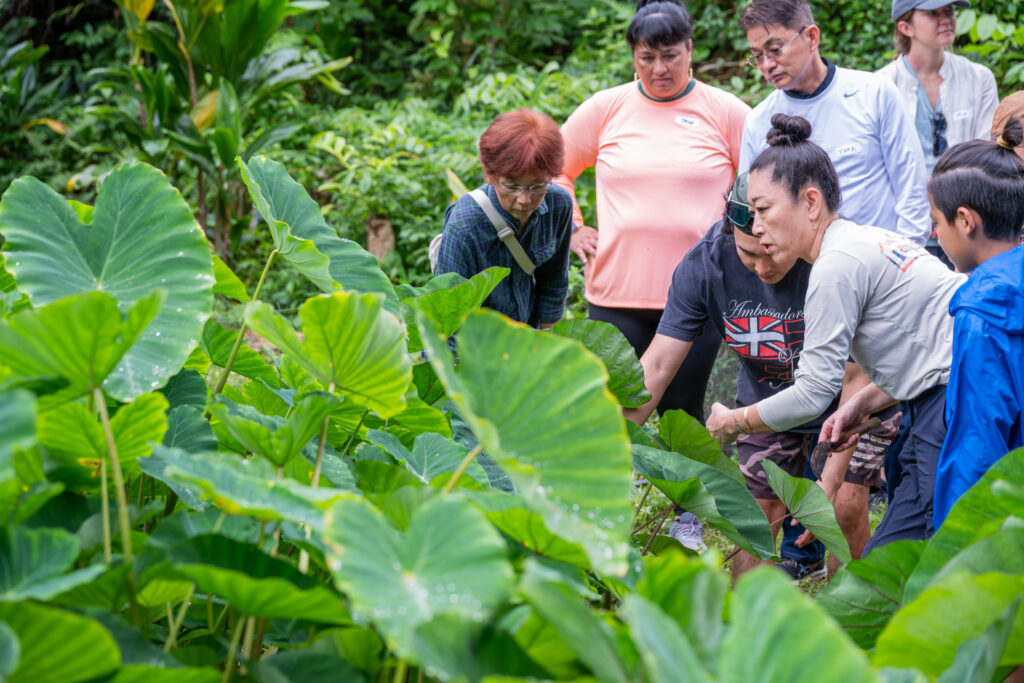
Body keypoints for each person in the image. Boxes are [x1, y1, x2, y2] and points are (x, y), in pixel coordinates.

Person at [705, 114, 966, 554]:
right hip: (945, 390)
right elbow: (924, 348)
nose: (757, 227)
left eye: (764, 210)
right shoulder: (863, 241)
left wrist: (734, 421)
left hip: (956, 396)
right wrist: (861, 403)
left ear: (810, 202)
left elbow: (811, 394)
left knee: (904, 553)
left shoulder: (834, 266)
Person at [625, 173, 899, 579]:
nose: (761, 265)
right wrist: (613, 445)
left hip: (854, 400)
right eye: (748, 254)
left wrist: (830, 477)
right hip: (767, 400)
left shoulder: (838, 259)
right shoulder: (706, 264)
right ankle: (748, 622)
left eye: (771, 253)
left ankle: (855, 614)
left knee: (842, 507)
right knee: (755, 515)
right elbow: (660, 364)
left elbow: (856, 377)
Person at [553, 0, 749, 549]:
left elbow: (761, 184)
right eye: (647, 58)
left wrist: (741, 250)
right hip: (616, 292)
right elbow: (555, 170)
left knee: (682, 412)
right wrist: (572, 227)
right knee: (614, 409)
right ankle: (602, 514)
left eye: (670, 56)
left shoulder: (726, 110)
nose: (659, 69)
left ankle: (687, 519)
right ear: (632, 57)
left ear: (691, 50)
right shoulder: (606, 108)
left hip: (697, 297)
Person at [738, 0, 931, 245]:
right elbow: (751, 207)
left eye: (775, 49)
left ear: (811, 37)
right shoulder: (758, 120)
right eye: (757, 56)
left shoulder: (873, 93)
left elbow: (911, 185)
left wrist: (906, 258)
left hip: (881, 261)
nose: (767, 65)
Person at [930, 117, 1024, 527]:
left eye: (936, 220)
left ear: (966, 221)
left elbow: (978, 442)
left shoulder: (983, 313)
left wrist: (960, 546)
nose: (933, 232)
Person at [436, 108, 573, 329]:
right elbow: (448, 313)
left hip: (527, 339)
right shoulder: (465, 224)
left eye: (537, 186)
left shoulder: (558, 204)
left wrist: (548, 346)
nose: (524, 200)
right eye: (512, 186)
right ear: (491, 176)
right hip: (476, 343)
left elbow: (553, 281)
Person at [878, 0, 997, 178]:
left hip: (967, 198)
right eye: (933, 13)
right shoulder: (882, 85)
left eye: (948, 10)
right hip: (906, 202)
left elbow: (988, 151)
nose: (946, 19)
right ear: (905, 28)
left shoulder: (979, 78)